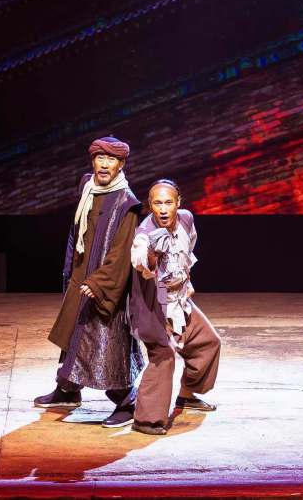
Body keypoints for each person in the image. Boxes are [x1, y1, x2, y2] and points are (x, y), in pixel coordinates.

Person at [33, 136, 144, 428]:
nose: (104, 165)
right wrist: (73, 272)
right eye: (100, 158)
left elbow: (122, 254)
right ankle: (68, 390)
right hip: (80, 275)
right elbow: (78, 228)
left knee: (105, 343)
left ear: (121, 164)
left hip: (104, 285)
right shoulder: (88, 186)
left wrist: (98, 283)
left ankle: (127, 400)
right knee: (74, 335)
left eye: (111, 160)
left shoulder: (126, 203)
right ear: (92, 160)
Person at [128, 179, 221, 435]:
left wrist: (186, 282)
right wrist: (152, 254)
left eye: (168, 202)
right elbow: (141, 264)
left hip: (179, 300)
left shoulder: (186, 219)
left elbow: (187, 250)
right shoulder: (144, 234)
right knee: (163, 354)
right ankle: (146, 420)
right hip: (153, 306)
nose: (163, 209)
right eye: (157, 203)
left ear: (178, 203)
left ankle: (187, 395)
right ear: (150, 206)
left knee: (207, 342)